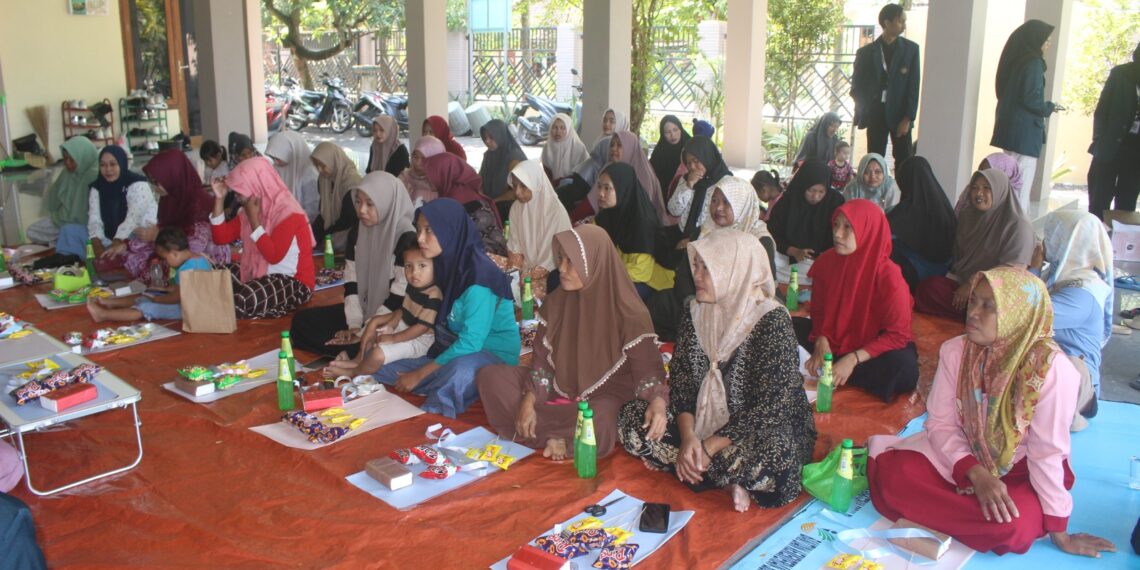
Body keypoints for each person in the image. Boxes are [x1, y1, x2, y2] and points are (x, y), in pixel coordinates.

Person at [868, 267, 1117, 558]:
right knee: (896, 476)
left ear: (1018, 314)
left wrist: (1060, 534)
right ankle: (966, 514)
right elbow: (941, 424)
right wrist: (976, 474)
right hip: (960, 458)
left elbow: (1046, 452)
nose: (973, 313)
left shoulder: (1050, 371)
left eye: (990, 306)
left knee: (1013, 526)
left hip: (1020, 469)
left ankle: (953, 513)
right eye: (974, 301)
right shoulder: (956, 351)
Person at [620, 229, 816, 512]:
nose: (696, 276)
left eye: (707, 268)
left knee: (778, 456)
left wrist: (709, 447)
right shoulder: (694, 312)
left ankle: (695, 466)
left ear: (734, 271)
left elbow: (772, 407)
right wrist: (689, 439)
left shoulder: (770, 320)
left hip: (753, 429)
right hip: (699, 423)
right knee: (633, 418)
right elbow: (684, 384)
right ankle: (716, 473)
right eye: (695, 265)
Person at [478, 225, 668, 460]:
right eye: (561, 260)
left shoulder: (629, 312)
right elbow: (542, 364)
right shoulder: (556, 304)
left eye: (572, 262)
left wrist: (658, 401)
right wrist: (529, 400)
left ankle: (555, 436)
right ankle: (561, 433)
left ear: (594, 264)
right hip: (556, 387)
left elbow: (648, 371)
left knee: (603, 416)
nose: (563, 269)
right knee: (491, 377)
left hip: (605, 397)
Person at [370, 198, 520, 418]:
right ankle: (444, 383)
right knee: (377, 363)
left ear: (450, 230)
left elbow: (471, 342)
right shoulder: (444, 263)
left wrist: (420, 373)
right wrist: (393, 323)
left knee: (461, 371)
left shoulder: (478, 277)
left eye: (429, 230)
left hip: (490, 354)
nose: (420, 238)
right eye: (419, 229)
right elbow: (418, 305)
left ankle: (438, 406)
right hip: (448, 345)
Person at [793, 199, 918, 401]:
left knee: (903, 368)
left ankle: (836, 368)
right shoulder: (827, 260)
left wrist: (853, 359)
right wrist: (821, 339)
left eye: (847, 227)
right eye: (836, 224)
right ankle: (833, 367)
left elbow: (898, 334)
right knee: (783, 326)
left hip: (869, 348)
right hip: (833, 338)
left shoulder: (889, 275)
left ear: (867, 230)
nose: (837, 233)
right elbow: (819, 311)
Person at [290, 171, 414, 357]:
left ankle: (355, 349)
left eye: (370, 204)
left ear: (387, 203)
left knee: (372, 345)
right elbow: (352, 284)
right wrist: (355, 325)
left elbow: (398, 298)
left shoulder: (406, 239)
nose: (361, 210)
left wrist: (365, 332)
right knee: (302, 322)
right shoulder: (359, 231)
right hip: (364, 310)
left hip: (392, 319)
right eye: (358, 202)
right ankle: (353, 350)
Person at [649, 175, 776, 341]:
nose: (718, 208)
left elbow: (762, 287)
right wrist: (692, 302)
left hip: (737, 309)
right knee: (657, 304)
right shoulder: (704, 231)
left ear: (741, 205)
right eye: (715, 201)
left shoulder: (758, 240)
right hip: (699, 299)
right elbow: (685, 272)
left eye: (726, 203)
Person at [915, 169, 1034, 320]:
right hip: (963, 283)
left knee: (991, 307)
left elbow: (1013, 271)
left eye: (987, 188)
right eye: (975, 188)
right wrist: (962, 281)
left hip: (996, 291)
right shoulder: (968, 216)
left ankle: (979, 316)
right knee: (927, 289)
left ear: (1000, 190)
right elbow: (959, 259)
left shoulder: (1017, 225)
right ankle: (974, 316)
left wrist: (973, 282)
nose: (979, 193)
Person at [209, 157, 315, 319]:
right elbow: (220, 237)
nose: (237, 195)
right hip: (261, 275)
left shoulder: (288, 213)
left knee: (244, 299)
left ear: (256, 186)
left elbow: (273, 256)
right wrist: (219, 199)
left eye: (240, 190)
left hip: (293, 282)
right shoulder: (250, 211)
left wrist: (254, 220)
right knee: (211, 275)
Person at [1034, 210, 1114, 410]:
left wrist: (1033, 269)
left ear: (1069, 241)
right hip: (1051, 372)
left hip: (1076, 388)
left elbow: (1027, 315)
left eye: (1052, 235)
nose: (1044, 242)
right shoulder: (1060, 277)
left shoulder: (1083, 293)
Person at [327, 239, 440, 378]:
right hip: (406, 327)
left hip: (420, 340)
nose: (414, 272)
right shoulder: (415, 285)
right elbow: (404, 309)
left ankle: (353, 373)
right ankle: (359, 359)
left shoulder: (434, 295)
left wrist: (393, 338)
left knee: (378, 353)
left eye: (422, 266)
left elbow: (421, 328)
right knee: (373, 325)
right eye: (408, 266)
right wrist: (385, 323)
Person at [992, 19, 1060, 209]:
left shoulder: (1016, 60)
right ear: (1035, 40)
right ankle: (1018, 233)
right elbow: (1031, 99)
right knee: (1021, 185)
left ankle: (1009, 228)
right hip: (1025, 133)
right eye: (1046, 40)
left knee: (1010, 183)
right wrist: (1050, 107)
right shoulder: (1033, 62)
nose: (1048, 44)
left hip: (1011, 130)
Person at [139, 150, 231, 284]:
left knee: (154, 270)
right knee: (137, 253)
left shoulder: (198, 202)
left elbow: (192, 248)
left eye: (157, 182)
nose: (155, 187)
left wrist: (158, 236)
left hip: (203, 260)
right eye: (152, 182)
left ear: (172, 176)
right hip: (173, 249)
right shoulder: (169, 199)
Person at [86, 227, 211, 323]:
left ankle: (102, 315)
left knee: (146, 307)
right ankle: (112, 303)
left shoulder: (186, 269)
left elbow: (176, 298)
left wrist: (155, 299)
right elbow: (191, 288)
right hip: (196, 304)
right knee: (149, 294)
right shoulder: (199, 259)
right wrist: (165, 290)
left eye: (165, 258)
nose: (166, 262)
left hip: (189, 310)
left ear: (174, 254)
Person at [851, 3, 920, 165]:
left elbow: (913, 86)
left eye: (905, 21)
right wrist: (866, 108)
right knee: (875, 158)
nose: (904, 24)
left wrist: (908, 117)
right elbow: (857, 85)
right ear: (887, 23)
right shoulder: (866, 52)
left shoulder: (911, 50)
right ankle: (876, 190)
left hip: (900, 114)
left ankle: (906, 191)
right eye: (900, 21)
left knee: (904, 159)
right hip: (876, 113)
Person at [594, 163, 674, 298]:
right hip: (617, 271)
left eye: (607, 188)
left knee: (607, 294)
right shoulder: (607, 214)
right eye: (599, 187)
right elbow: (590, 242)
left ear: (622, 189)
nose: (601, 193)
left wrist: (604, 274)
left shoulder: (642, 222)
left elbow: (641, 271)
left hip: (648, 280)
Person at [766, 158, 845, 282]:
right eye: (811, 190)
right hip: (785, 255)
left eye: (821, 192)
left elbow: (841, 235)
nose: (815, 197)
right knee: (766, 262)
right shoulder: (788, 201)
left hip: (818, 261)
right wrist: (792, 251)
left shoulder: (835, 202)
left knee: (819, 272)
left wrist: (823, 256)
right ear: (803, 185)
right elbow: (770, 233)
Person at [422, 143, 506, 255]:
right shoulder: (460, 191)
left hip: (482, 259)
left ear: (443, 173)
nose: (427, 179)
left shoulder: (456, 200)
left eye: (432, 174)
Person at [1088, 41, 1140, 218]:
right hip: (1110, 145)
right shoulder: (1120, 74)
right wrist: (1099, 139)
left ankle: (1119, 242)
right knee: (1099, 196)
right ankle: (1096, 239)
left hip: (1136, 152)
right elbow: (1102, 110)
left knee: (1127, 199)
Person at [887, 156, 957, 290]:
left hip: (918, 273)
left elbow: (884, 227)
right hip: (944, 271)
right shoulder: (944, 205)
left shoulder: (907, 210)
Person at [87, 145, 157, 276]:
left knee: (131, 246)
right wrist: (97, 245)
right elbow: (94, 219)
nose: (108, 170)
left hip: (136, 235)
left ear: (122, 163)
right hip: (108, 238)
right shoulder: (97, 187)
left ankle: (116, 266)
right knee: (72, 231)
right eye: (103, 165)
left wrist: (116, 244)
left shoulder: (137, 184)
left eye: (113, 164)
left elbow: (132, 219)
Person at [506, 160, 571, 299]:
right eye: (514, 186)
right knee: (491, 273)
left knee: (529, 293)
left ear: (535, 184)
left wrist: (527, 278)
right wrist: (513, 275)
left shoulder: (555, 212)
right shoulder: (516, 208)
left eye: (523, 186)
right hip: (524, 269)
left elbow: (552, 258)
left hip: (551, 272)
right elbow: (515, 246)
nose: (517, 192)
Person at [26, 136, 99, 259]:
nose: (68, 164)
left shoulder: (94, 175)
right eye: (65, 159)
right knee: (31, 231)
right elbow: (54, 197)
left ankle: (62, 241)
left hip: (85, 225)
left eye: (72, 159)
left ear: (82, 157)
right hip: (62, 218)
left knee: (72, 233)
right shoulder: (67, 173)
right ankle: (62, 240)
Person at [667, 136, 732, 240]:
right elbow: (674, 210)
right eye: (688, 163)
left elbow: (724, 220)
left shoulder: (724, 183)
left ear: (707, 157)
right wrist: (688, 187)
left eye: (696, 160)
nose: (692, 167)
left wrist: (693, 239)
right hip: (683, 233)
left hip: (709, 240)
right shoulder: (686, 180)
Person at [310, 142, 362, 247]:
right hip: (332, 228)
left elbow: (347, 220)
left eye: (323, 165)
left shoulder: (352, 183)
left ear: (333, 161)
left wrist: (325, 235)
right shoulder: (324, 179)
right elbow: (323, 210)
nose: (320, 170)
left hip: (349, 234)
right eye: (317, 166)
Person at [478, 119, 528, 219]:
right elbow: (480, 180)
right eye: (485, 137)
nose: (487, 141)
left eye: (491, 137)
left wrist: (492, 202)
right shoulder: (489, 154)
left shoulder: (514, 158)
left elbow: (516, 192)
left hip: (509, 205)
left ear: (500, 136)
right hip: (491, 203)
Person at [264, 131, 319, 220]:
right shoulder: (278, 167)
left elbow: (313, 210)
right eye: (273, 158)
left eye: (278, 158)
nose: (275, 161)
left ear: (291, 152)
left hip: (302, 224)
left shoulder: (309, 175)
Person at [957, 152, 1022, 214]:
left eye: (986, 187)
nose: (979, 192)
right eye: (981, 173)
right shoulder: (968, 200)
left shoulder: (1014, 220)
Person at [650, 115, 691, 197]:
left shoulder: (692, 148)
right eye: (667, 132)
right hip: (663, 197)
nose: (673, 135)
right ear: (662, 134)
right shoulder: (659, 153)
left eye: (675, 130)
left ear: (681, 129)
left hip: (687, 196)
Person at [540, 112, 589, 182]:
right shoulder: (547, 147)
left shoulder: (578, 147)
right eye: (554, 127)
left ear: (569, 129)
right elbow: (547, 174)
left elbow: (584, 172)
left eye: (562, 128)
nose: (558, 131)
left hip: (573, 185)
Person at [401, 135, 444, 206]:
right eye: (416, 157)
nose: (418, 162)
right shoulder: (405, 177)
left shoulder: (442, 183)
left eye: (424, 159)